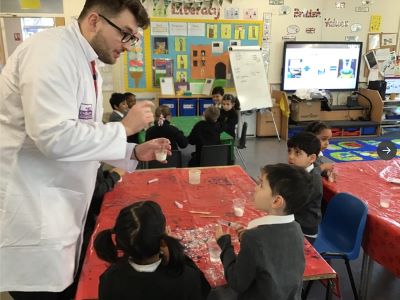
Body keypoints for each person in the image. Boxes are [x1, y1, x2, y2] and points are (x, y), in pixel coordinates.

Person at [0, 1, 172, 298]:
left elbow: (82, 134)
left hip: (62, 208)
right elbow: (53, 137)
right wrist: (123, 128)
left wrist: (132, 151)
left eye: (134, 39)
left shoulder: (85, 60)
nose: (128, 46)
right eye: (125, 34)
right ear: (95, 20)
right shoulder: (51, 53)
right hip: (32, 213)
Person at [215, 163, 312, 300]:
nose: (255, 188)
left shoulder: (254, 238)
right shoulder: (296, 228)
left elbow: (237, 282)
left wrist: (224, 243)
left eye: (261, 185)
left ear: (277, 201)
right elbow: (273, 253)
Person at [94, 201, 210, 300]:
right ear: (163, 241)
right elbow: (204, 290)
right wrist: (177, 256)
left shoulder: (109, 279)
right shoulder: (186, 277)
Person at [287, 132, 323, 243]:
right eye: (289, 151)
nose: (291, 156)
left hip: (304, 232)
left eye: (297, 153)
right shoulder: (298, 169)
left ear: (311, 158)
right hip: (294, 223)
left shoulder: (311, 181)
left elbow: (289, 204)